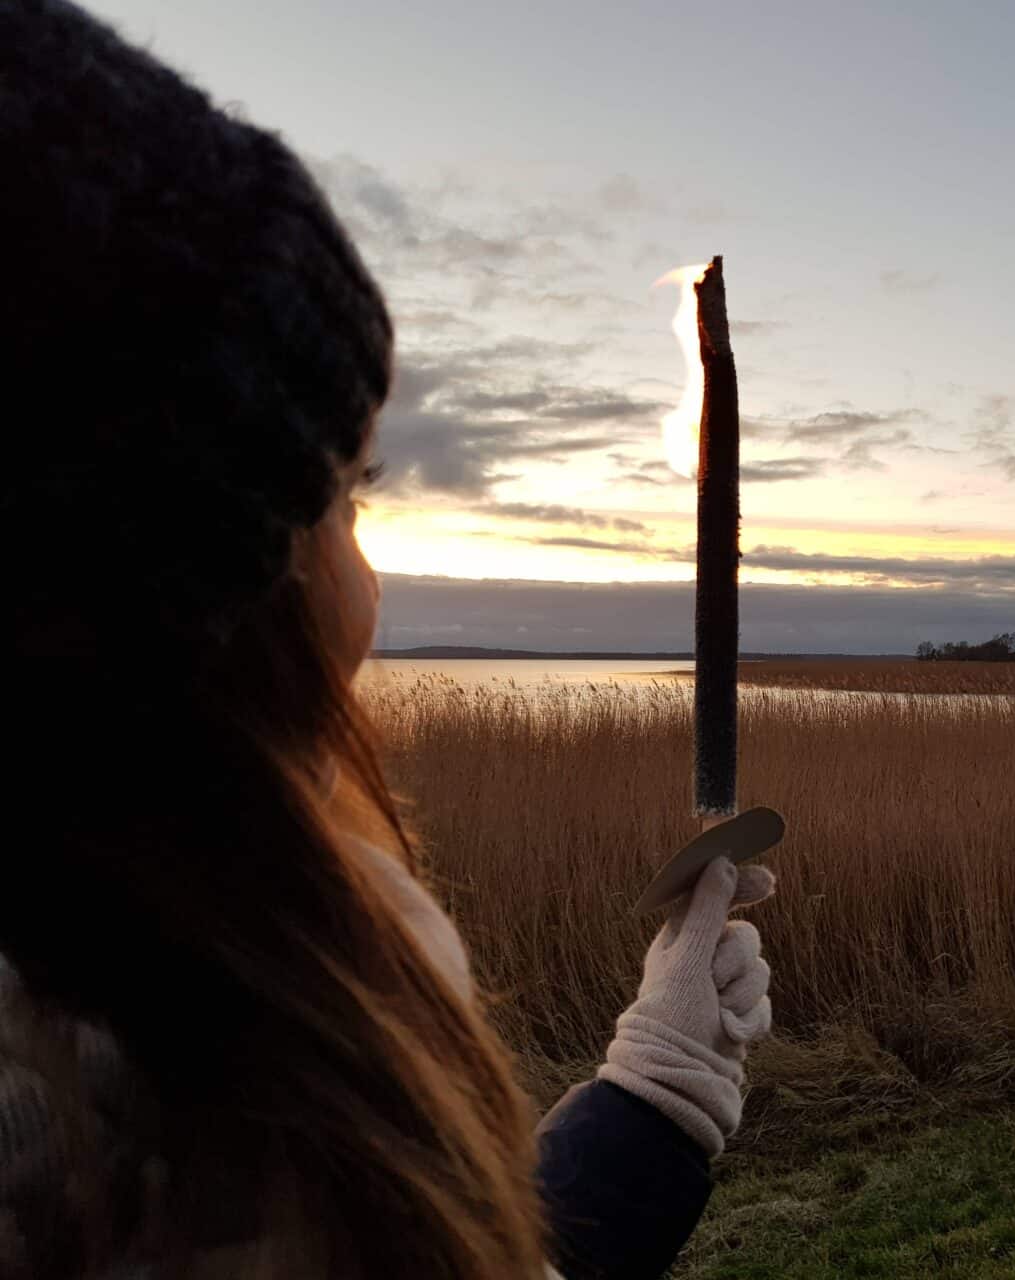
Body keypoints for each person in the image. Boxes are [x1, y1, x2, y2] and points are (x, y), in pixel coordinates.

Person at [0, 2, 775, 1276]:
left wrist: (657, 1086)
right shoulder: (181, 1117)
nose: (369, 602)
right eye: (344, 500)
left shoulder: (131, 1100)